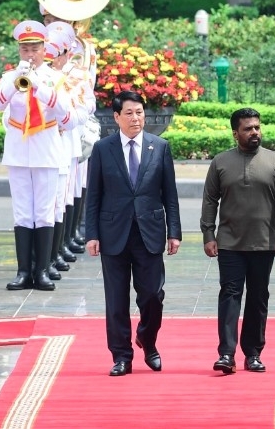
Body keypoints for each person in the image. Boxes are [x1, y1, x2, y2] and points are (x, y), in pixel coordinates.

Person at [84, 90, 182, 377]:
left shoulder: (160, 147)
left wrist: (173, 231)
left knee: (153, 295)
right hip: (113, 232)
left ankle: (148, 341)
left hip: (149, 232)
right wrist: (92, 234)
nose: (136, 118)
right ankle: (121, 356)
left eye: (139, 112)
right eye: (129, 113)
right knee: (116, 299)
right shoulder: (103, 149)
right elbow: (94, 196)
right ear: (116, 117)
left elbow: (170, 195)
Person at [200, 107, 275, 374]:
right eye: (248, 129)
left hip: (263, 243)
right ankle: (227, 354)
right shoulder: (220, 162)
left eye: (257, 127)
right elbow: (210, 200)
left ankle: (253, 353)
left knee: (257, 297)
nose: (255, 132)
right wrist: (208, 234)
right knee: (230, 295)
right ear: (235, 133)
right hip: (229, 242)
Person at [0, 20, 72, 291]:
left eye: (34, 48)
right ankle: (23, 271)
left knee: (45, 213)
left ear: (43, 48)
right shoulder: (10, 76)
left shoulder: (55, 78)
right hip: (17, 151)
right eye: (25, 49)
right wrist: (16, 82)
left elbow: (63, 109)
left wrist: (39, 85)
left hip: (46, 151)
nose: (30, 54)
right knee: (23, 213)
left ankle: (42, 270)